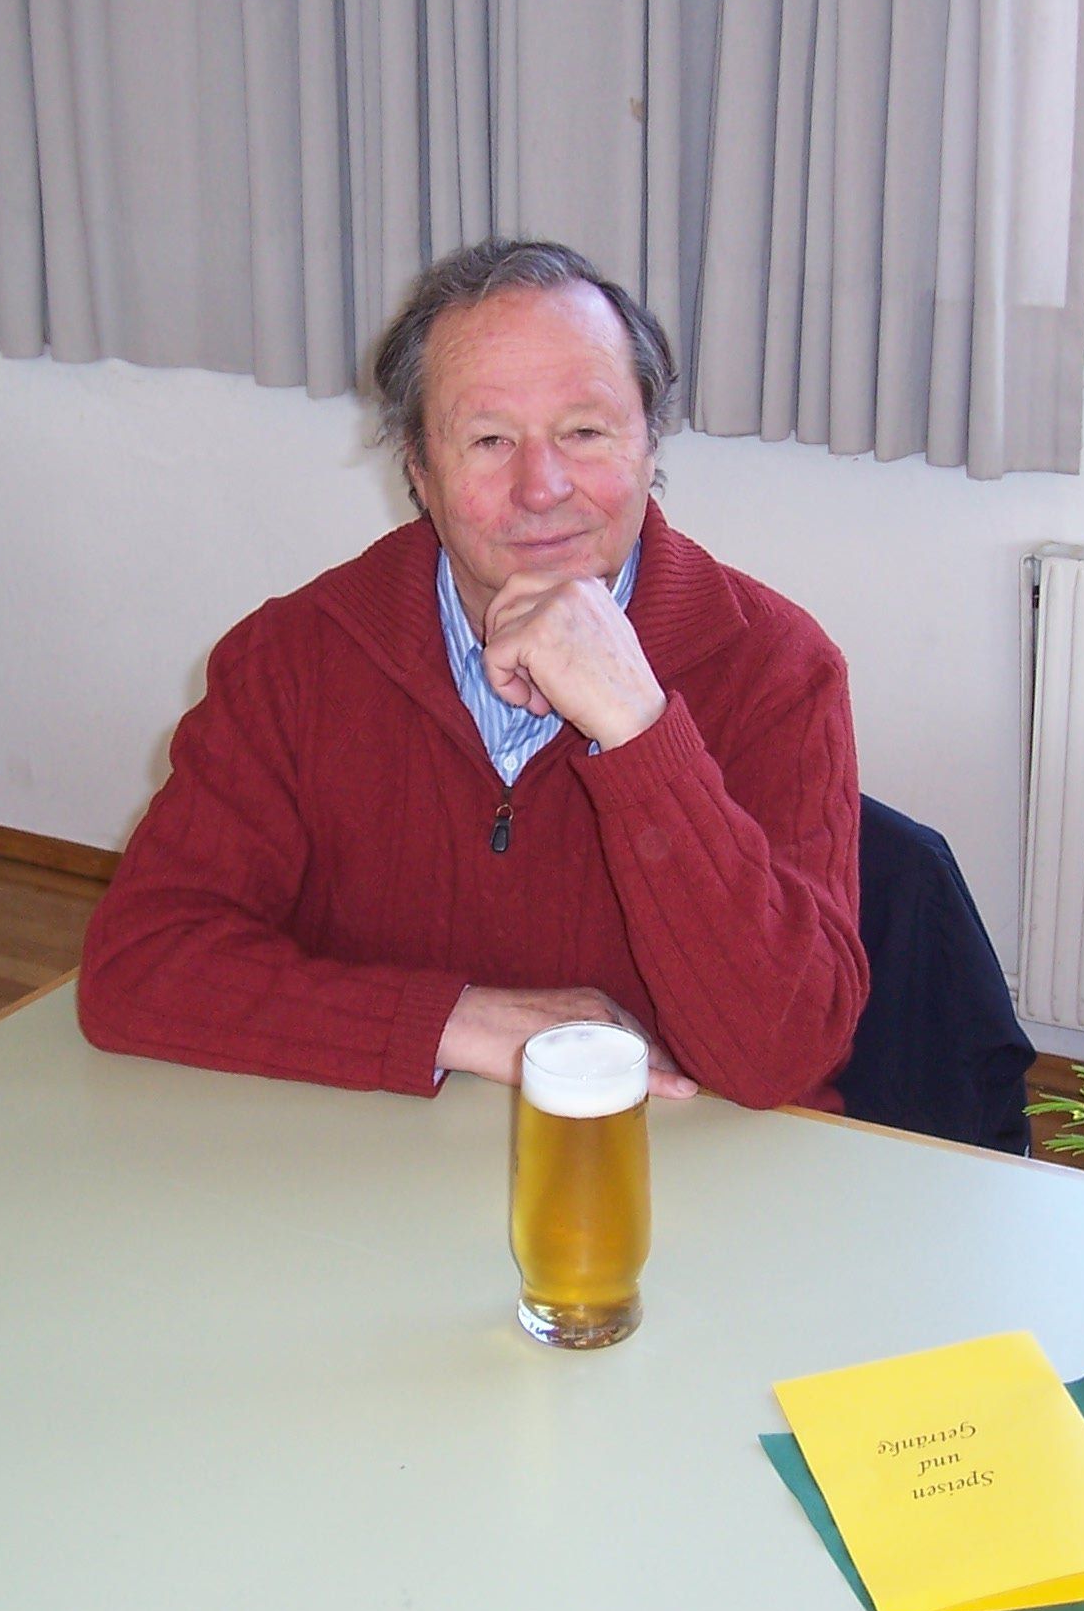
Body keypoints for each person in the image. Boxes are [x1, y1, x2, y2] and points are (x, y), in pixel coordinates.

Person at [76, 238, 867, 1109]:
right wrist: (457, 1022)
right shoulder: (292, 661)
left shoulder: (777, 667)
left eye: (585, 432)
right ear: (419, 470)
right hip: (366, 1158)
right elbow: (137, 966)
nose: (543, 486)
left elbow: (784, 1054)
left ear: (649, 445)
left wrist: (640, 732)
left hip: (665, 1159)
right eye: (490, 440)